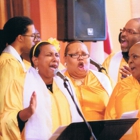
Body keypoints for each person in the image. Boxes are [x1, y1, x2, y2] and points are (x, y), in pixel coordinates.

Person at [1, 41, 83, 140]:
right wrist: (27, 112)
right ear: (35, 60)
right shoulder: (19, 84)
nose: (55, 59)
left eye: (57, 55)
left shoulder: (65, 84)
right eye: (49, 55)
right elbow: (6, 121)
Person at [63, 41, 112, 121]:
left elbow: (114, 108)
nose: (80, 58)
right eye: (75, 55)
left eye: (84, 54)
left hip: (101, 131)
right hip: (70, 131)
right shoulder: (58, 80)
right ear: (65, 59)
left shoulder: (103, 79)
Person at [105, 41, 140, 140]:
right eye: (129, 57)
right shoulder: (121, 86)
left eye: (135, 57)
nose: (130, 61)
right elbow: (110, 121)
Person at [102, 18, 140, 87]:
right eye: (123, 30)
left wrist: (134, 82)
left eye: (130, 32)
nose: (123, 34)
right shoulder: (111, 60)